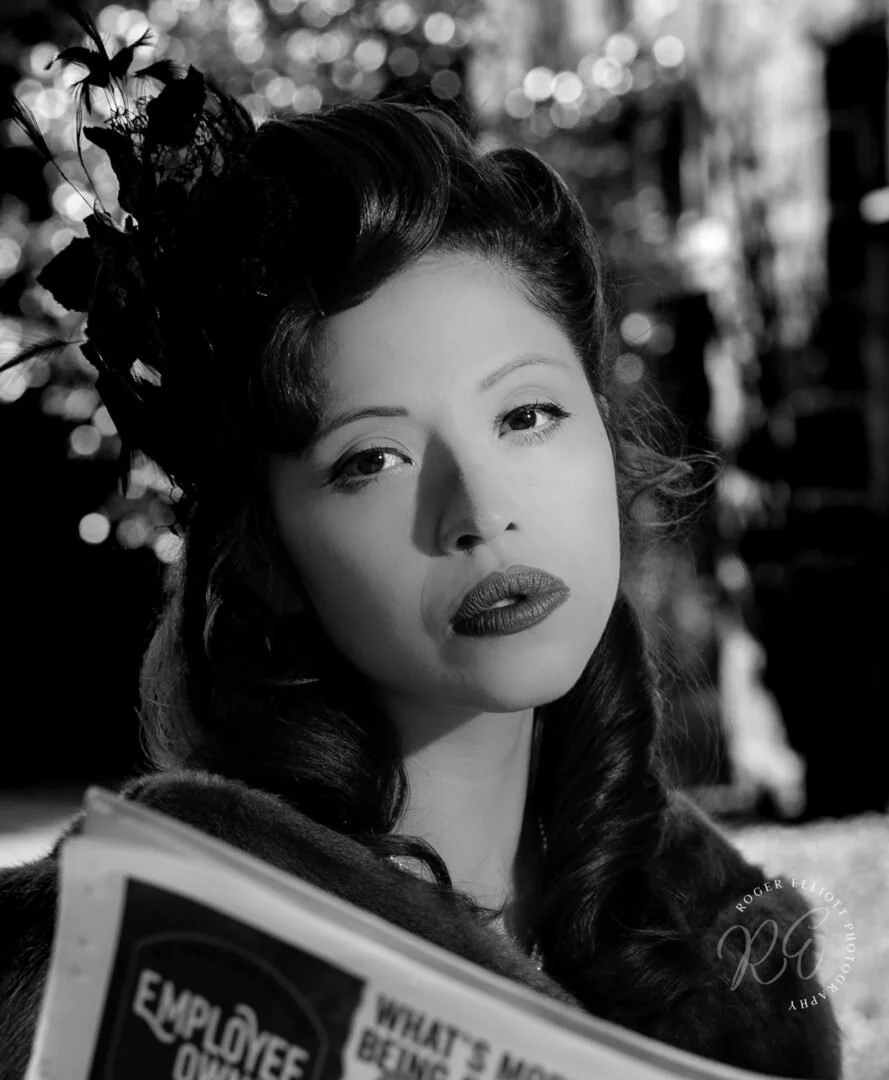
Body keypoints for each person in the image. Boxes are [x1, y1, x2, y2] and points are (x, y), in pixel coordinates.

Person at [0, 12, 841, 1079]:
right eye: (372, 460)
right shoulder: (93, 960)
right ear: (262, 553)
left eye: (527, 418)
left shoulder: (745, 967)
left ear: (605, 436)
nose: (479, 511)